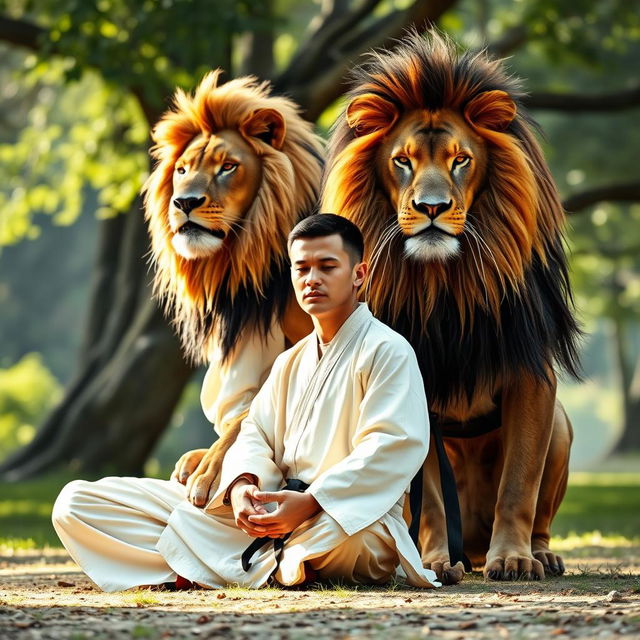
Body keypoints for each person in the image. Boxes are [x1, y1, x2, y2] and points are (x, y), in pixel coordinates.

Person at [52, 214, 440, 591]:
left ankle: (210, 566)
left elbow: (393, 445)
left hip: (342, 519)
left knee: (351, 545)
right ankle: (255, 565)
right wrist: (242, 487)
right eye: (301, 268)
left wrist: (311, 502)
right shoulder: (290, 361)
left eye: (327, 266)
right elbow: (254, 434)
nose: (312, 279)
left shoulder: (388, 351)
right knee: (77, 503)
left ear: (359, 274)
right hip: (267, 516)